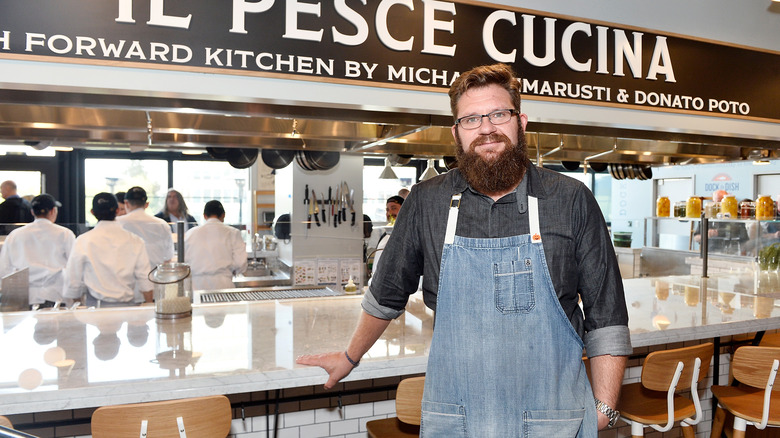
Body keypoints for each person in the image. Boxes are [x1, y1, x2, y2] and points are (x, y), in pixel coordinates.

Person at [297, 63, 630, 435]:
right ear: (456, 132)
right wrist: (349, 357)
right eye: (471, 119)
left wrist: (604, 409)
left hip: (553, 419)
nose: (486, 128)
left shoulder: (570, 200)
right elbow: (386, 295)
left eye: (498, 114)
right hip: (456, 421)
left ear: (521, 123)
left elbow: (607, 317)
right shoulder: (427, 201)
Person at [64, 192, 154, 306]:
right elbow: (144, 276)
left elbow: (73, 277)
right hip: (128, 306)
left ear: (92, 212)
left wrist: (78, 304)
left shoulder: (83, 240)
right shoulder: (135, 240)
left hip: (96, 306)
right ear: (117, 211)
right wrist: (149, 303)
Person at [0, 194, 75, 308]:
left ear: (32, 212)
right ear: (53, 211)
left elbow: (4, 269)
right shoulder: (64, 234)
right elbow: (73, 266)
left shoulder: (15, 235)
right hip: (55, 296)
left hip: (24, 297)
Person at [183, 200, 247, 290]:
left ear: (204, 216)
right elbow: (241, 263)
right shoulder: (233, 232)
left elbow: (184, 261)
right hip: (223, 284)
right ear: (223, 215)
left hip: (196, 286)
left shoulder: (190, 233)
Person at [117, 186, 175, 270]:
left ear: (126, 203)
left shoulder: (118, 223)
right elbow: (168, 256)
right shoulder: (162, 224)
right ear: (147, 204)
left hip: (127, 277)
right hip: (155, 277)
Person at [693, 190, 749, 254]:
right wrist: (706, 235)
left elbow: (744, 241)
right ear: (713, 202)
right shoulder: (706, 215)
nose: (721, 205)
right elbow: (695, 238)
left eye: (723, 202)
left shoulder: (735, 216)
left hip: (731, 253)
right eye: (718, 202)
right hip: (709, 254)